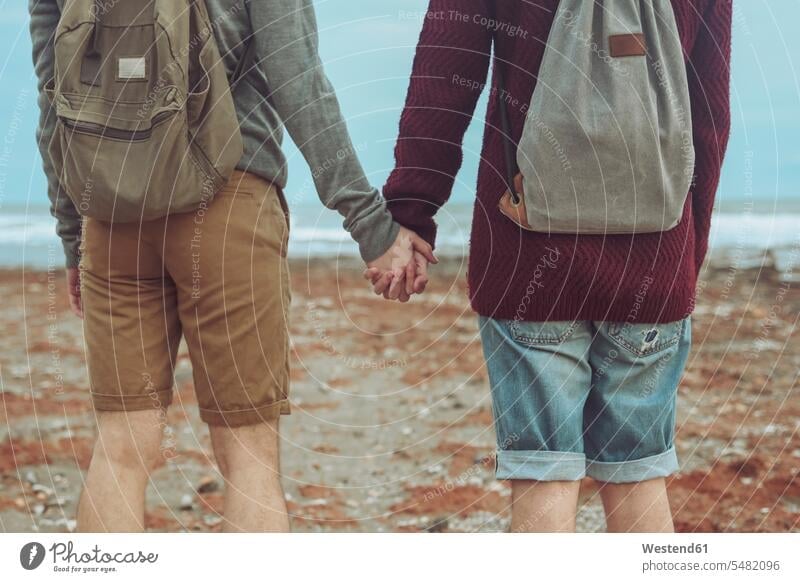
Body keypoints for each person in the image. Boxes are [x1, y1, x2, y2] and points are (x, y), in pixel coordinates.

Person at [30, 0, 432, 532]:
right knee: (249, 458)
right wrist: (372, 227)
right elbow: (300, 81)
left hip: (112, 217)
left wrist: (73, 235)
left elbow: (53, 100)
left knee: (120, 449)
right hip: (229, 202)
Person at [369, 0, 732, 532]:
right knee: (638, 472)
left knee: (543, 474)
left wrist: (410, 216)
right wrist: (684, 253)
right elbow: (710, 113)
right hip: (656, 260)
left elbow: (446, 73)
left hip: (528, 262)